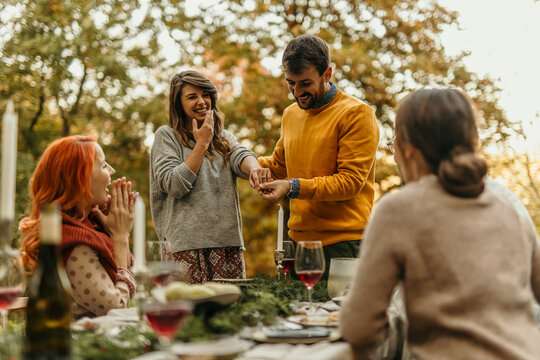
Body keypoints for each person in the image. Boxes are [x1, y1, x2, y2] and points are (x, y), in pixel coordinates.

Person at [340, 88, 540, 359]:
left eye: (394, 143)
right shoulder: (508, 203)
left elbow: (359, 329)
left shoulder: (398, 210)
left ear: (407, 148)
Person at [256, 35, 379, 277]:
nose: (297, 92)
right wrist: (238, 159)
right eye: (291, 83)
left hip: (343, 246)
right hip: (299, 247)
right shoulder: (290, 114)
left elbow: (350, 182)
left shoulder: (355, 113)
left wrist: (292, 187)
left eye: (305, 83)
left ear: (327, 74)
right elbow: (278, 167)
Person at [150, 70, 269, 284]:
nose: (201, 101)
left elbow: (240, 155)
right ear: (178, 103)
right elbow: (175, 184)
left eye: (205, 94)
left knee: (229, 314)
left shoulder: (223, 138)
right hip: (184, 248)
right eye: (192, 96)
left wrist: (255, 168)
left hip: (227, 245)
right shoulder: (166, 136)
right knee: (190, 314)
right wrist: (201, 144)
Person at [20, 135, 137, 319]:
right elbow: (116, 308)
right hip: (84, 344)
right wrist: (121, 237)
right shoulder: (75, 243)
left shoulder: (88, 227)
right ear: (81, 178)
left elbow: (128, 272)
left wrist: (112, 229)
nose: (112, 171)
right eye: (104, 165)